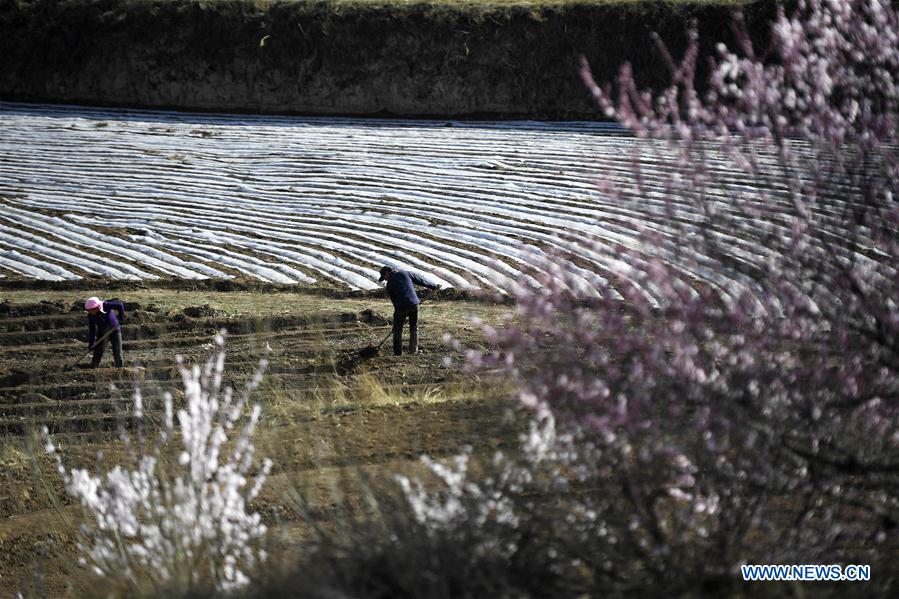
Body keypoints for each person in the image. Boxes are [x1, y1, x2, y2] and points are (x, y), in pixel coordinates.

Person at [379, 265, 439, 356]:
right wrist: (433, 286)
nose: (385, 279)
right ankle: (413, 351)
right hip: (414, 304)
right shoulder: (405, 273)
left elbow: (394, 300)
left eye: (384, 277)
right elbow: (420, 280)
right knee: (414, 328)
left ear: (387, 273)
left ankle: (398, 353)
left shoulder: (389, 284)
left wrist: (398, 315)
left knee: (397, 330)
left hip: (401, 307)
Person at [84, 296, 125, 368]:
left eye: (90, 310)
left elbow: (120, 305)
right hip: (102, 333)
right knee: (98, 351)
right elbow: (92, 330)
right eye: (88, 310)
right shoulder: (91, 316)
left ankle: (119, 368)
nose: (89, 312)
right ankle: (94, 366)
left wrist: (121, 318)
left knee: (117, 350)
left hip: (115, 330)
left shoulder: (105, 305)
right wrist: (91, 344)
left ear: (96, 308)